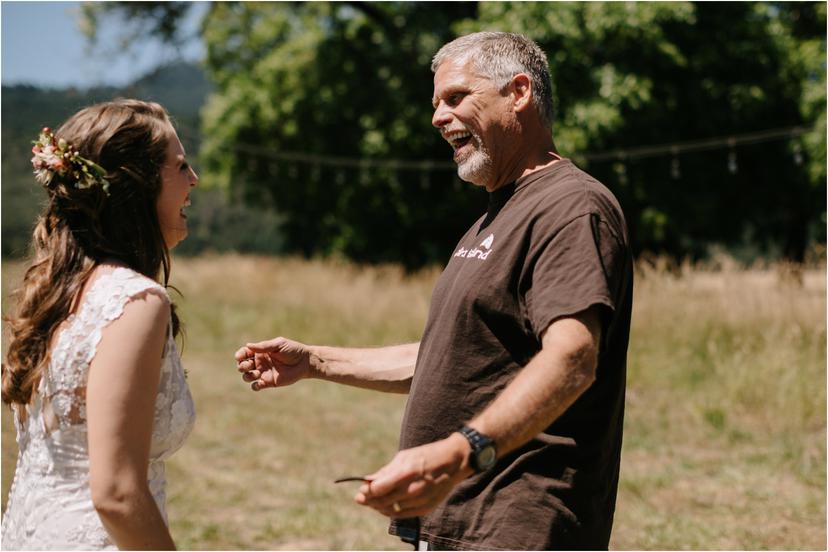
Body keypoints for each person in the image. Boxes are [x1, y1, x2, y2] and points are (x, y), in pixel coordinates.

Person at [236, 31, 633, 550]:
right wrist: (314, 362)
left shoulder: (571, 207)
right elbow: (455, 360)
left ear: (518, 92)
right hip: (460, 519)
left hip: (518, 522)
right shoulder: (493, 216)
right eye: (435, 104)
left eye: (455, 97)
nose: (437, 118)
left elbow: (574, 358)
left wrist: (460, 453)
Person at [1, 99, 198, 550]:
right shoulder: (135, 301)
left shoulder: (58, 294)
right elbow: (116, 495)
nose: (194, 180)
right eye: (181, 166)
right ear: (135, 186)